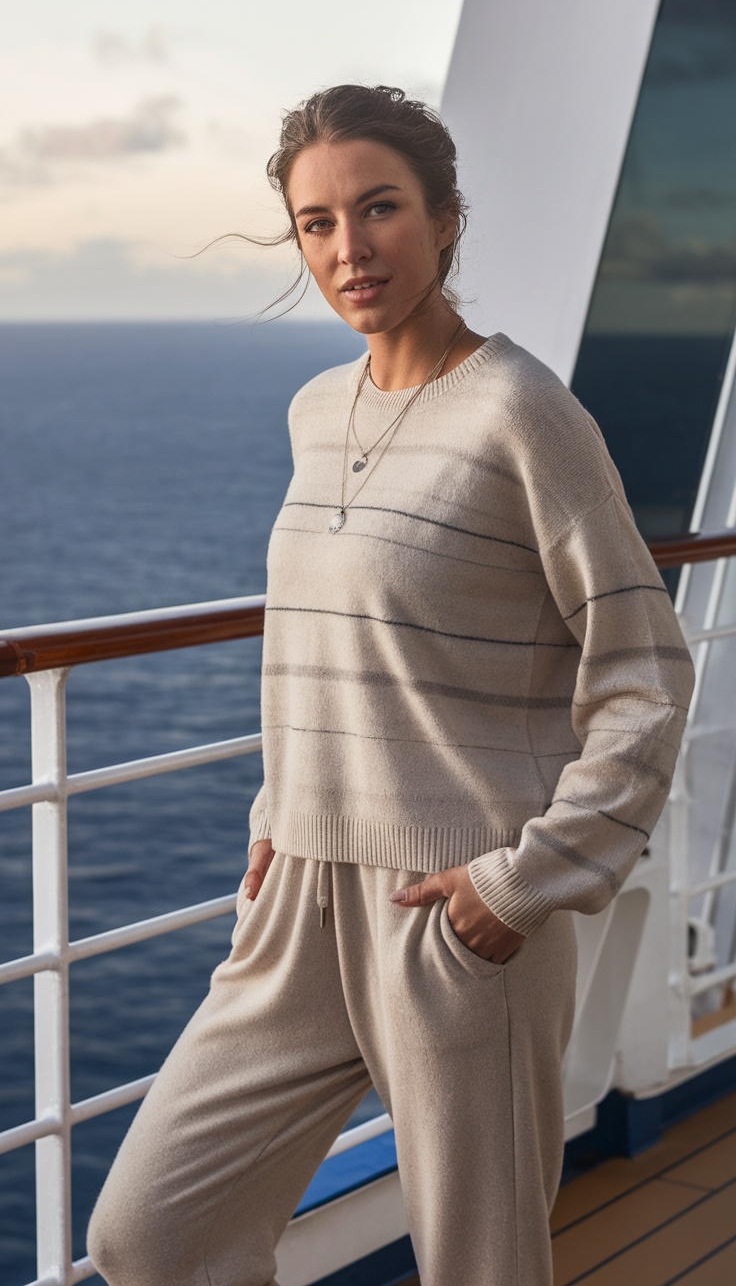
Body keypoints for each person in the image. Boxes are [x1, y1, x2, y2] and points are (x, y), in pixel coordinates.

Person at [88, 84, 695, 1286]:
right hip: (297, 894)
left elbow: (643, 672)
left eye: (379, 210)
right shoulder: (318, 410)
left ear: (443, 216)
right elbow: (318, 644)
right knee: (149, 1233)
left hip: (456, 905)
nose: (348, 249)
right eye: (316, 222)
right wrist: (277, 815)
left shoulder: (523, 411)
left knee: (480, 1264)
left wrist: (522, 882)